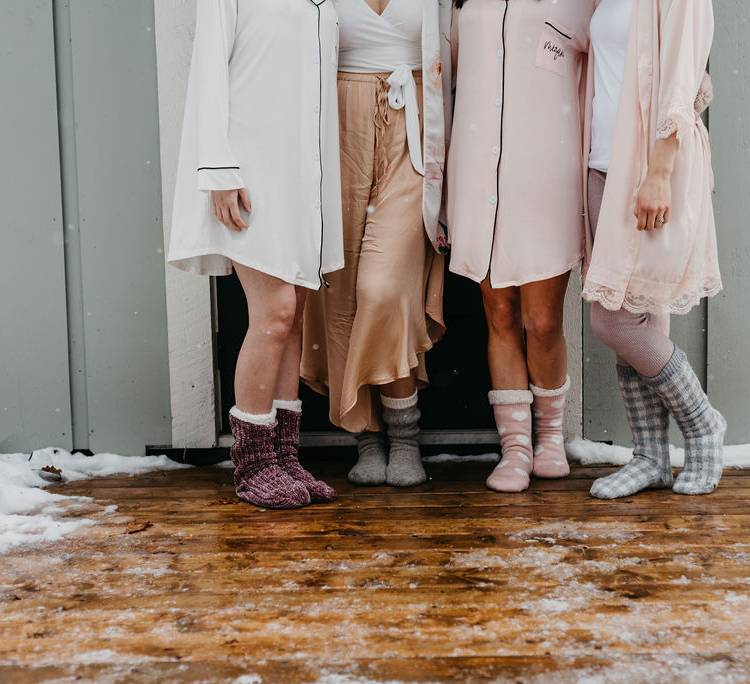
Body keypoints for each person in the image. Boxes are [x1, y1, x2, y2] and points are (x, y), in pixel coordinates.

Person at [167, 0, 344, 509]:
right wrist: (219, 170)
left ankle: (284, 455)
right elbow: (209, 71)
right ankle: (252, 463)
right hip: (250, 166)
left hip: (302, 174)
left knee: (295, 317)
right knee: (275, 312)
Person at [301, 0, 452, 487]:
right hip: (336, 128)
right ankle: (365, 436)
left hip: (411, 130)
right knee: (338, 293)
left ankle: (404, 434)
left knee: (384, 289)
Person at [446, 0, 593, 493]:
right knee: (500, 314)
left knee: (543, 319)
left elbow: (612, 59)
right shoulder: (463, 2)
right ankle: (516, 448)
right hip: (476, 168)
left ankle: (550, 437)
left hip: (546, 170)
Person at [584, 0, 725, 497]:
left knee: (614, 320)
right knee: (640, 313)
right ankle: (650, 456)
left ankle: (704, 425)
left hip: (646, 168)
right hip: (601, 164)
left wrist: (660, 171)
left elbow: (684, 77)